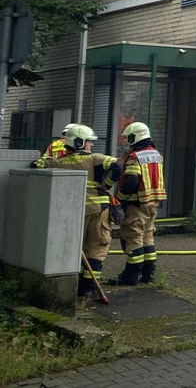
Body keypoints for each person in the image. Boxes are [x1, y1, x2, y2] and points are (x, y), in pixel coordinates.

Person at [40, 124, 121, 299]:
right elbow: (117, 166)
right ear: (79, 142)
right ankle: (87, 287)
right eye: (89, 142)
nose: (91, 145)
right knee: (97, 247)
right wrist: (107, 184)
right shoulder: (95, 159)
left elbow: (37, 164)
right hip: (98, 209)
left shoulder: (58, 161)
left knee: (76, 247)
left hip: (73, 211)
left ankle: (75, 282)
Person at [108, 122, 167, 286]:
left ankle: (130, 277)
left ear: (136, 136)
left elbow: (131, 180)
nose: (128, 141)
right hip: (152, 203)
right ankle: (148, 275)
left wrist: (120, 199)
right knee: (147, 238)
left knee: (133, 239)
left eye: (129, 138)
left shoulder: (135, 157)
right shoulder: (155, 154)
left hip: (136, 204)